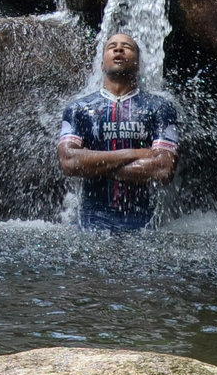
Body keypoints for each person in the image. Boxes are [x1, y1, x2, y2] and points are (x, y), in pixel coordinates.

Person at [57, 32, 179, 234]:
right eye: (111, 46)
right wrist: (135, 153)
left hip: (145, 229)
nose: (119, 49)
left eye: (127, 47)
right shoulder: (79, 109)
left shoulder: (160, 108)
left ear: (139, 64)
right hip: (89, 228)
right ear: (102, 63)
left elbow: (163, 169)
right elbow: (69, 162)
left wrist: (91, 164)